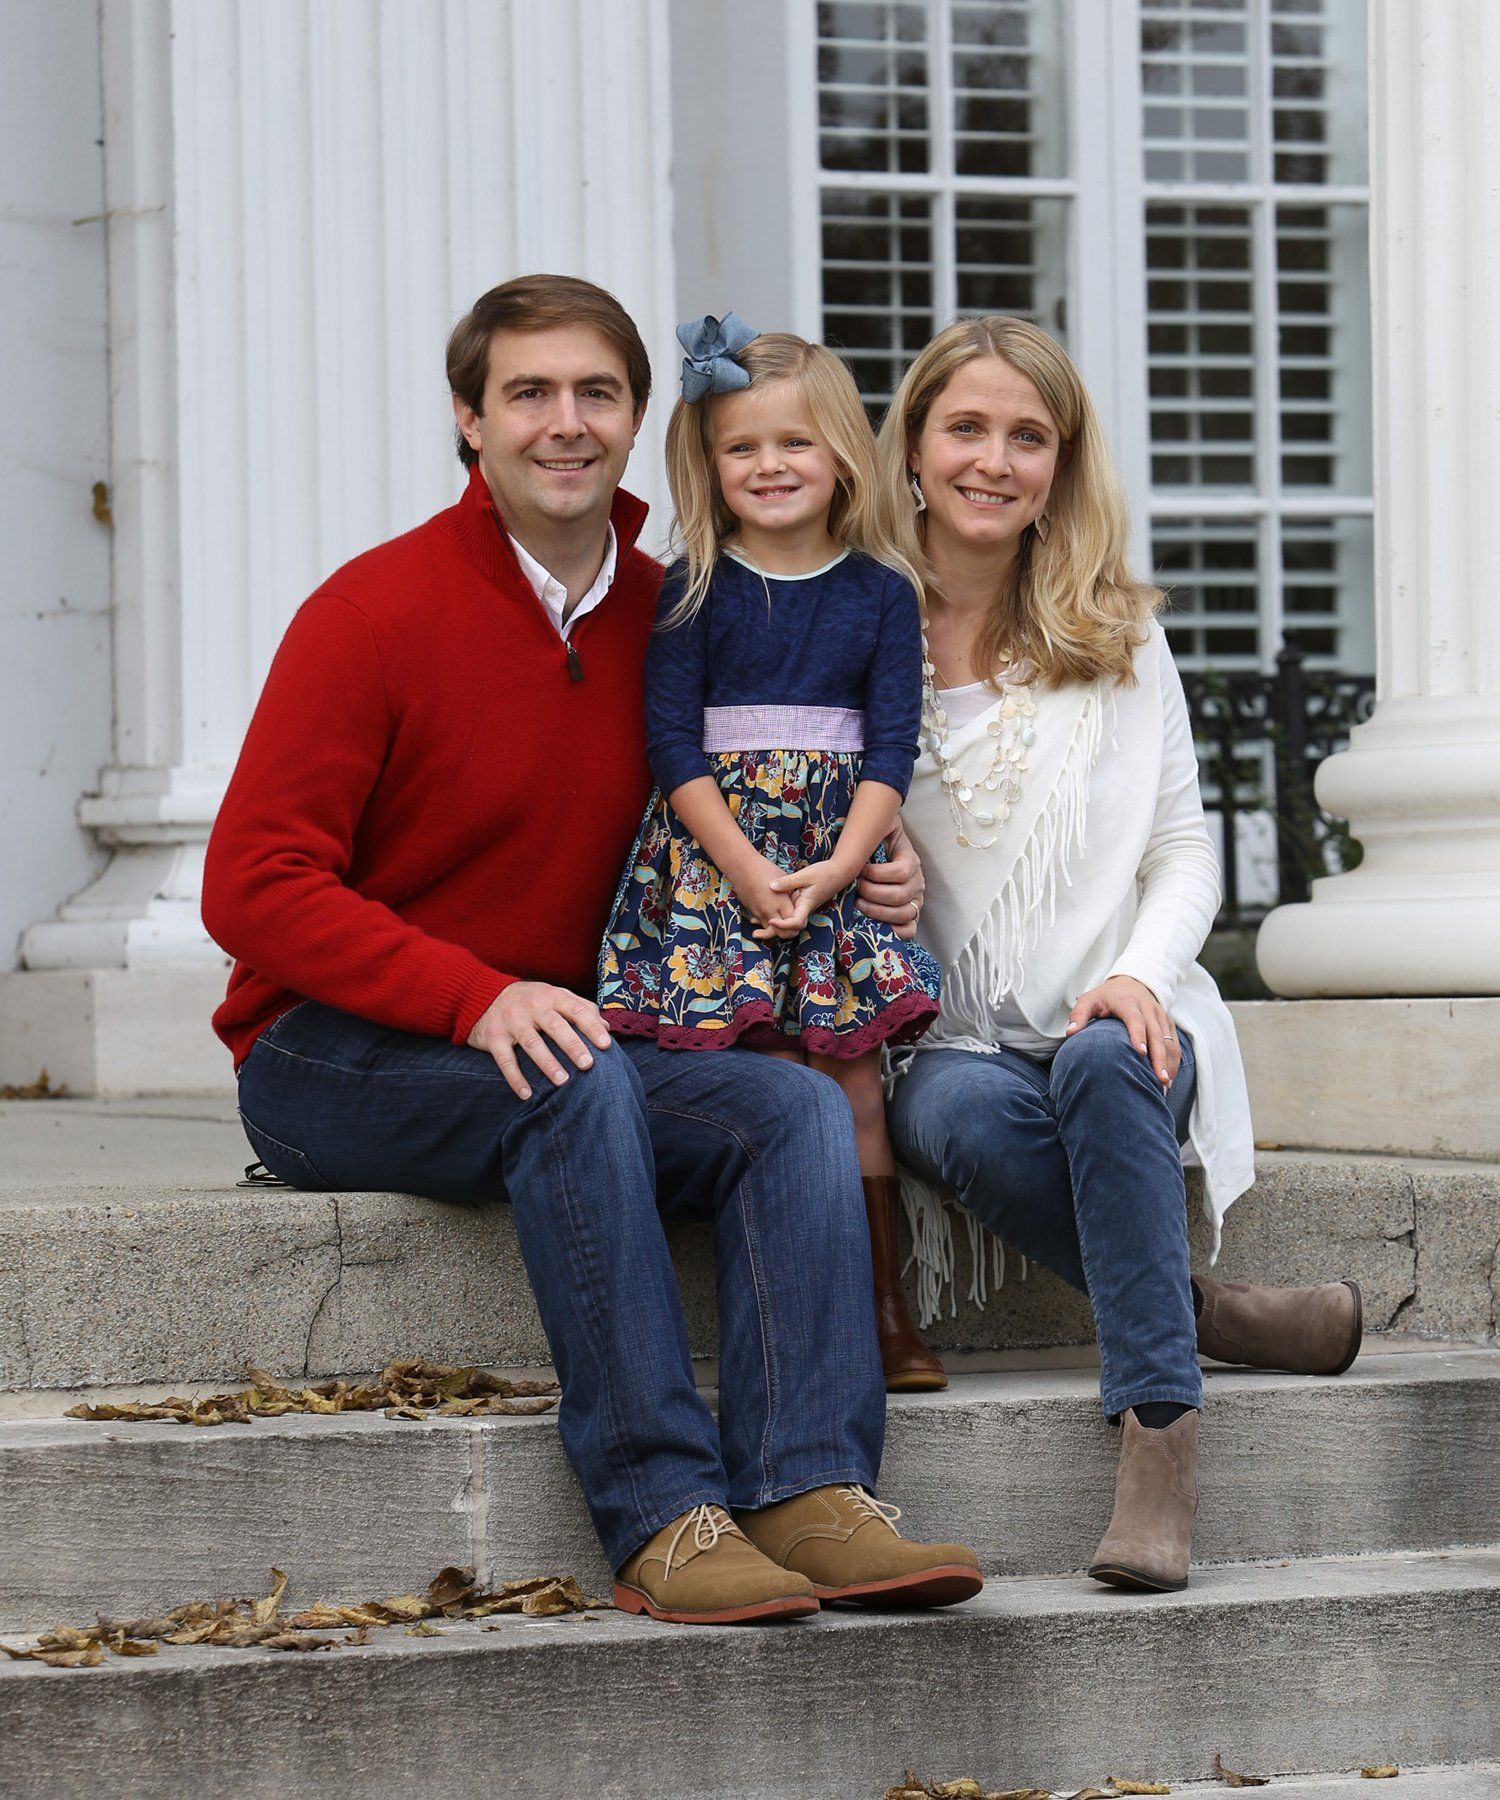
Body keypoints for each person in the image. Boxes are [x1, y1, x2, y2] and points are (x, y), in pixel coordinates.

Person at [201, 273, 981, 1627]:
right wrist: (472, 993)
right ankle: (664, 1513)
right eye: (529, 394)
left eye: (596, 394)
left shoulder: (678, 614)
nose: (564, 424)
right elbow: (254, 887)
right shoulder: (372, 611)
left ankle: (809, 1486)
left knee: (789, 1105)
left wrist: (868, 868)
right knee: (574, 1076)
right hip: (332, 1053)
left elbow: (778, 774)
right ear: (470, 420)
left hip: (574, 1030)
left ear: (635, 422)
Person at [874, 315, 1363, 1593]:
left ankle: (1159, 1434)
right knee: (963, 1116)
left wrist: (1140, 973)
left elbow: (1186, 849)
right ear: (914, 446)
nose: (994, 460)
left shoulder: (1117, 636)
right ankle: (1209, 1316)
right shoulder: (857, 633)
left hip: (1130, 1018)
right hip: (956, 1042)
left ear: (1062, 464)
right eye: (965, 428)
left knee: (1102, 1066)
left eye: (1027, 436)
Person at [598, 316, 947, 1392]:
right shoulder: (692, 585)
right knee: (767, 1071)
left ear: (842, 452)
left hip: (830, 860)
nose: (769, 465)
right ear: (709, 462)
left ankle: (886, 1313)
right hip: (717, 866)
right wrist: (746, 870)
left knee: (853, 1083)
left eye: (793, 443)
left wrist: (841, 866)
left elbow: (892, 746)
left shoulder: (882, 592)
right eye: (741, 446)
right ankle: (801, 1308)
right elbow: (670, 745)